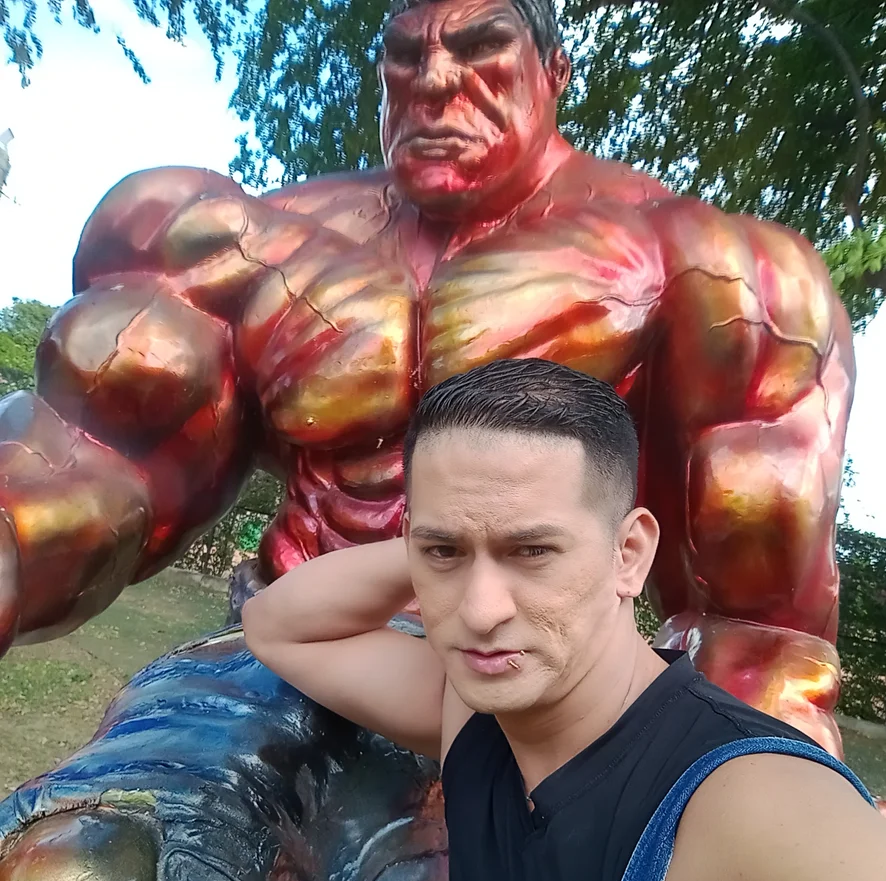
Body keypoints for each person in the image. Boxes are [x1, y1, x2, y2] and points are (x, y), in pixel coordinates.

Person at [0, 0, 852, 753]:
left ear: (554, 71)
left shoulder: (713, 272)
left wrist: (763, 802)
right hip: (286, 670)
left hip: (537, 699)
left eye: (481, 47)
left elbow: (760, 630)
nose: (436, 80)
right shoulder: (234, 242)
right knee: (72, 874)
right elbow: (90, 462)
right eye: (406, 54)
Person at [244, 358, 886, 881]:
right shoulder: (474, 714)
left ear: (630, 553)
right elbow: (279, 624)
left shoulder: (777, 823)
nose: (482, 611)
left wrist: (462, 537)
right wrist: (455, 534)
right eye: (443, 553)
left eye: (534, 550)